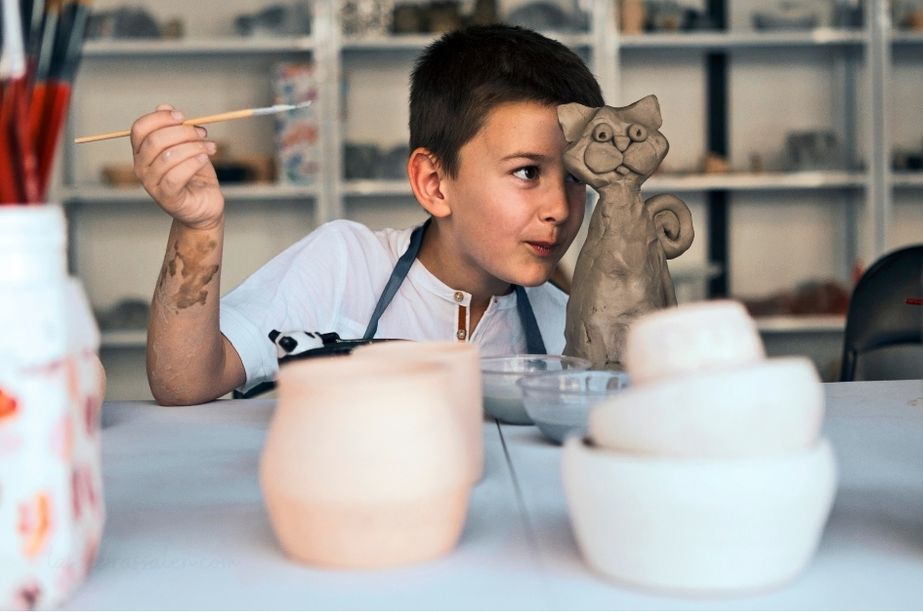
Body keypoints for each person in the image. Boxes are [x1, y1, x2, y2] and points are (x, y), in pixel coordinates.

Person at [130, 24, 605, 405]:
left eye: (576, 177)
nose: (560, 208)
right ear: (434, 184)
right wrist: (198, 227)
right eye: (526, 172)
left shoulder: (569, 327)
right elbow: (185, 381)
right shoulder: (343, 265)